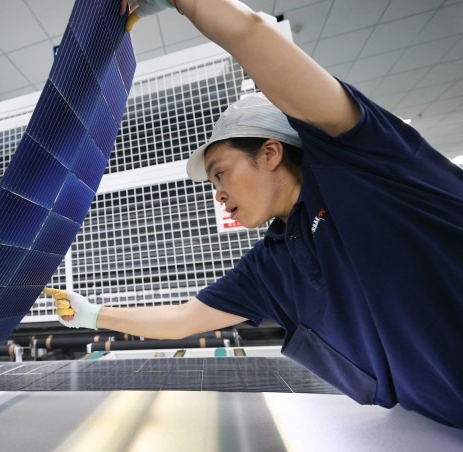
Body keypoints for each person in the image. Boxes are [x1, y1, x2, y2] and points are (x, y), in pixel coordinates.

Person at [45, 0, 463, 429]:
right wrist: (93, 315)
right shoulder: (272, 266)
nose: (219, 195)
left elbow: (253, 37)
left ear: (270, 152)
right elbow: (183, 320)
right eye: (213, 185)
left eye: (221, 173)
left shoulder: (367, 163)